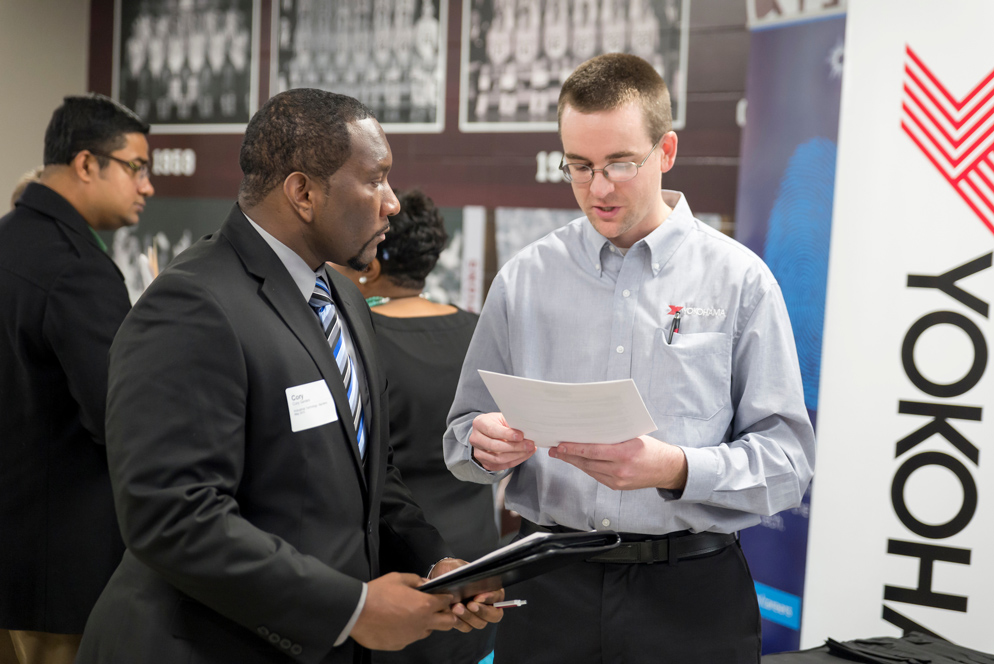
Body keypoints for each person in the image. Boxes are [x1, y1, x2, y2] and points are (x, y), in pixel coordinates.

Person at [76, 89, 502, 664]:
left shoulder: (344, 301)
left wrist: (435, 562)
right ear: (303, 192)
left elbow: (371, 472)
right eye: (375, 180)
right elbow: (172, 516)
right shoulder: (192, 305)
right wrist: (350, 609)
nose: (393, 203)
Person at [443, 53, 816, 663]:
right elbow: (460, 439)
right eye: (580, 166)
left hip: (690, 597)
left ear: (666, 151)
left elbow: (789, 463)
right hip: (547, 586)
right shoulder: (525, 279)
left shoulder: (739, 281)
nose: (599, 188)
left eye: (620, 163)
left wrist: (674, 469)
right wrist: (486, 447)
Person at [0, 94, 154, 664]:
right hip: (55, 577)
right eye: (136, 167)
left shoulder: (8, 240)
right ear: (88, 164)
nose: (147, 187)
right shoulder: (76, 269)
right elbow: (118, 416)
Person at [332, 189, 499, 664]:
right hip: (476, 561)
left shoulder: (352, 336)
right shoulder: (476, 330)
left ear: (373, 263)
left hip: (393, 566)